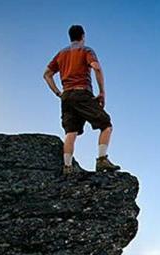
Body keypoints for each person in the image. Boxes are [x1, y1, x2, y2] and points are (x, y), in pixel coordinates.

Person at [43, 24, 119, 174]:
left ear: (70, 37)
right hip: (81, 93)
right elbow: (96, 67)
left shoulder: (61, 54)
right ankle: (102, 159)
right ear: (83, 36)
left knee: (71, 132)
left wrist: (58, 92)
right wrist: (102, 92)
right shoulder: (86, 50)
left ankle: (67, 167)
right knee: (106, 124)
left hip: (66, 96)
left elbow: (46, 74)